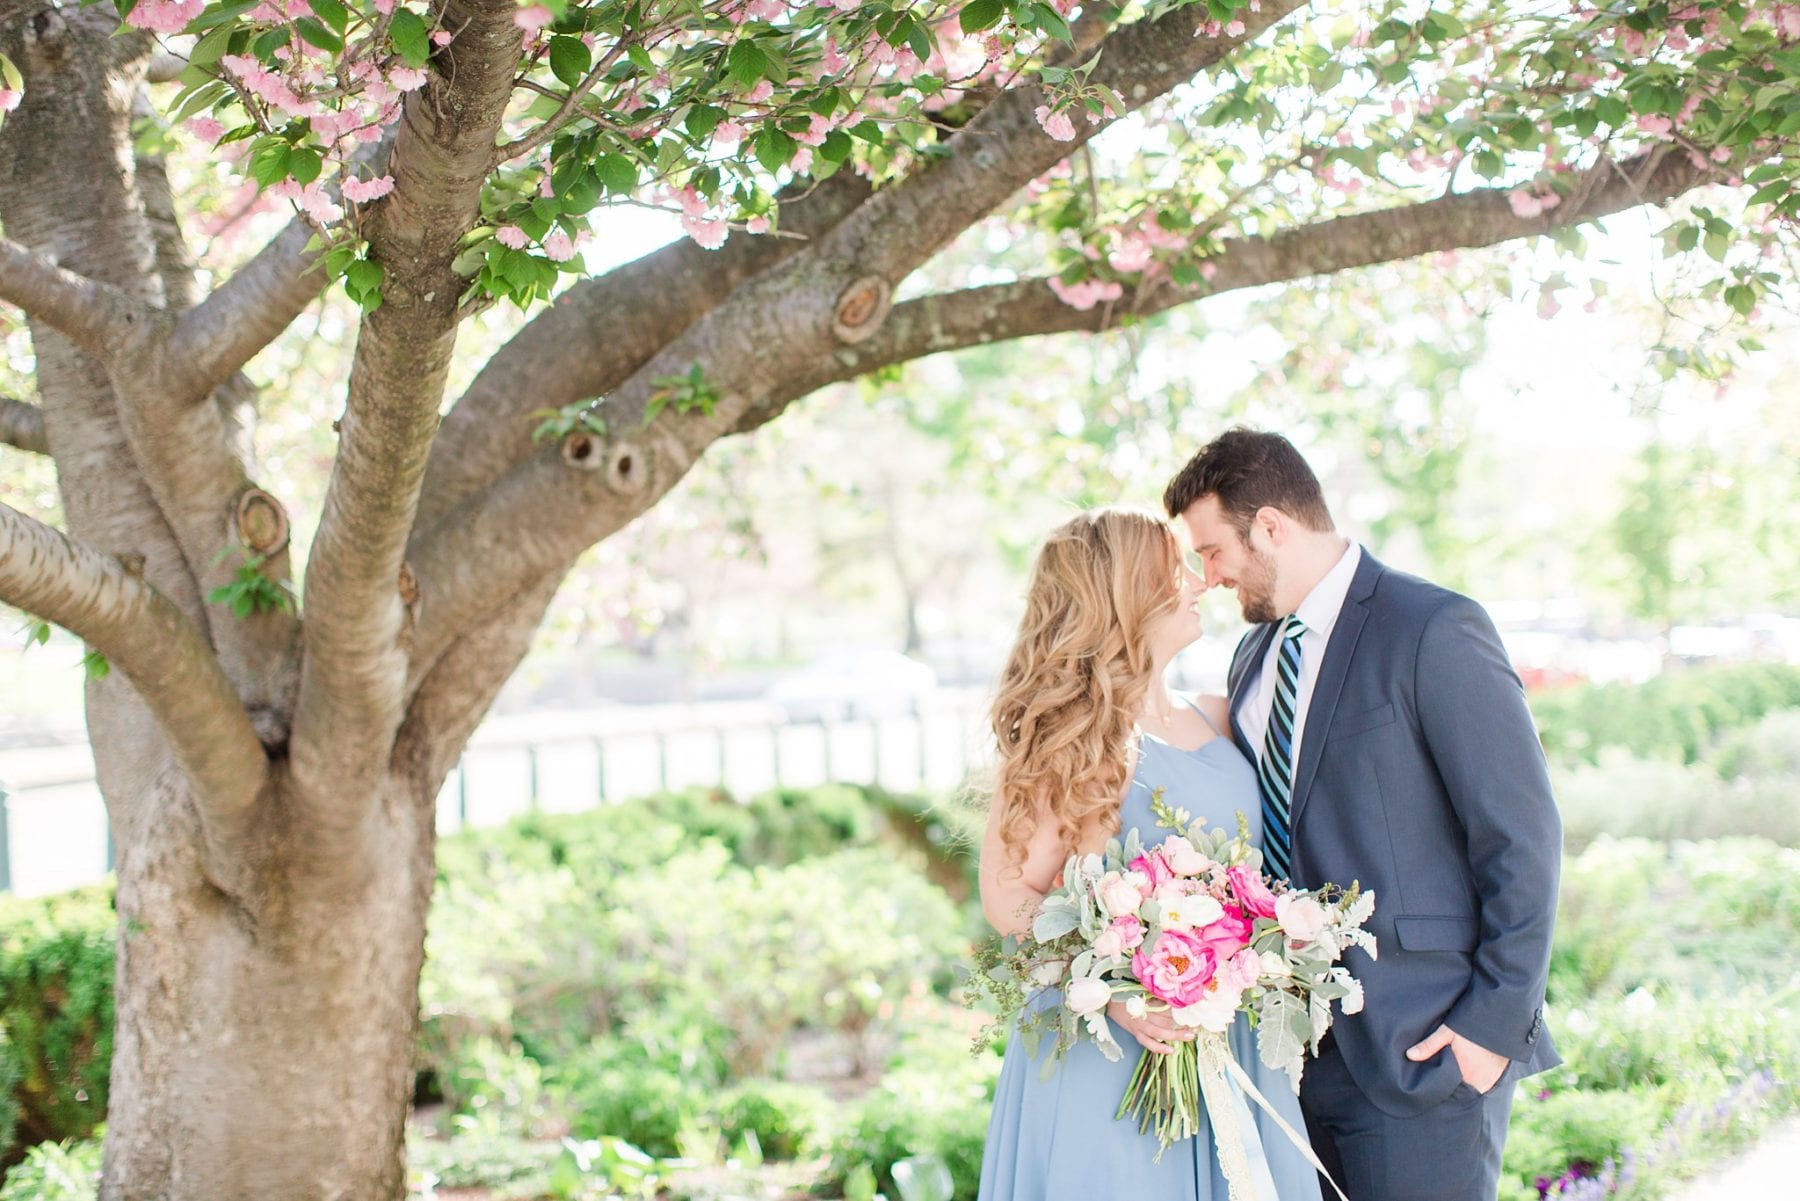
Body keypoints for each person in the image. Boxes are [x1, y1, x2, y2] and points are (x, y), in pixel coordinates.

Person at [1163, 429, 1562, 1201]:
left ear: (1272, 526)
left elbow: (1522, 834)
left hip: (1424, 1048)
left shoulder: (1432, 627)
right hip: (1289, 1058)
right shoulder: (1253, 657)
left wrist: (1490, 1027)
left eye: (1214, 551)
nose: (1207, 578)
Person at [976, 507, 1323, 1201]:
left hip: (1227, 1036)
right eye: (1177, 570)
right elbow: (1009, 897)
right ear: (1129, 593)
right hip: (1111, 1059)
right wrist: (1115, 992)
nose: (1200, 582)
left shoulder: (1218, 713)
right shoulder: (1074, 740)